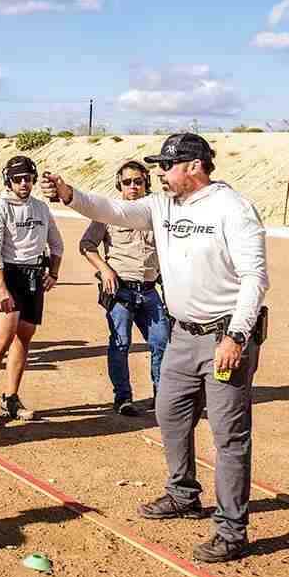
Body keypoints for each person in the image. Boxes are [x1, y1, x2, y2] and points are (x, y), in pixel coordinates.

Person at [42, 132, 269, 563]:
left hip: (225, 337)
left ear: (194, 167)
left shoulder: (233, 209)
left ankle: (231, 530)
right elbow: (112, 210)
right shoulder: (162, 205)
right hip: (182, 334)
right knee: (169, 413)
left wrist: (237, 335)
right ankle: (183, 494)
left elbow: (254, 279)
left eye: (167, 166)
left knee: (229, 436)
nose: (159, 175)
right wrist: (70, 195)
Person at [0, 156, 63, 427]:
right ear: (8, 181)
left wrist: (54, 273)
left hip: (33, 275)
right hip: (8, 275)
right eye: (18, 179)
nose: (24, 183)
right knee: (0, 341)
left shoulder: (41, 208)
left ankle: (11, 398)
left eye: (28, 178)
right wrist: (0, 287)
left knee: (24, 338)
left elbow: (56, 243)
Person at [79, 161, 169, 416]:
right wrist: (104, 270)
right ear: (119, 184)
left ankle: (162, 397)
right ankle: (123, 398)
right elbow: (86, 245)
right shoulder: (109, 212)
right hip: (120, 291)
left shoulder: (157, 212)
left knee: (162, 341)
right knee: (121, 343)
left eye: (138, 181)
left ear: (146, 183)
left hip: (150, 290)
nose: (133, 186)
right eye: (127, 181)